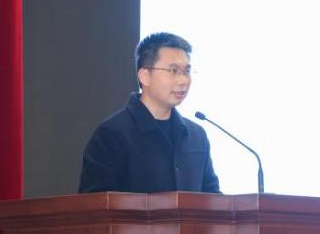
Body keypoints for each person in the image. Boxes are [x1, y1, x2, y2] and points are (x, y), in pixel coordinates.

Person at [78, 32, 220, 193]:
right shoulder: (112, 135)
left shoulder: (196, 136)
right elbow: (97, 202)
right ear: (144, 76)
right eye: (173, 71)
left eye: (186, 71)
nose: (183, 81)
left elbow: (212, 198)